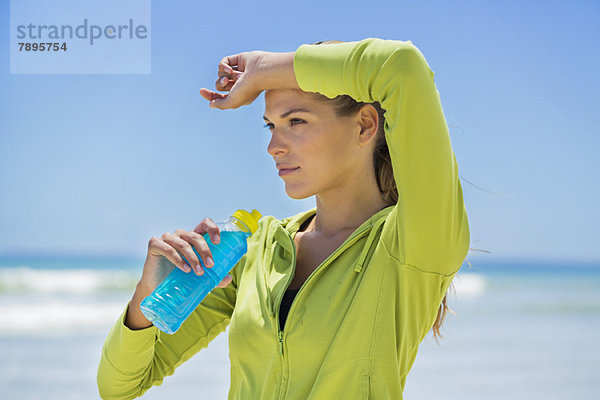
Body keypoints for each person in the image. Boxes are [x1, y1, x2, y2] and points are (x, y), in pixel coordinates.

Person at [97, 37, 471, 399]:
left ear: (364, 126)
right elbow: (119, 387)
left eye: (296, 122)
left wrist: (264, 69)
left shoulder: (414, 242)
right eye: (271, 125)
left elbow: (401, 66)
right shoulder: (252, 251)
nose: (273, 146)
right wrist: (148, 299)